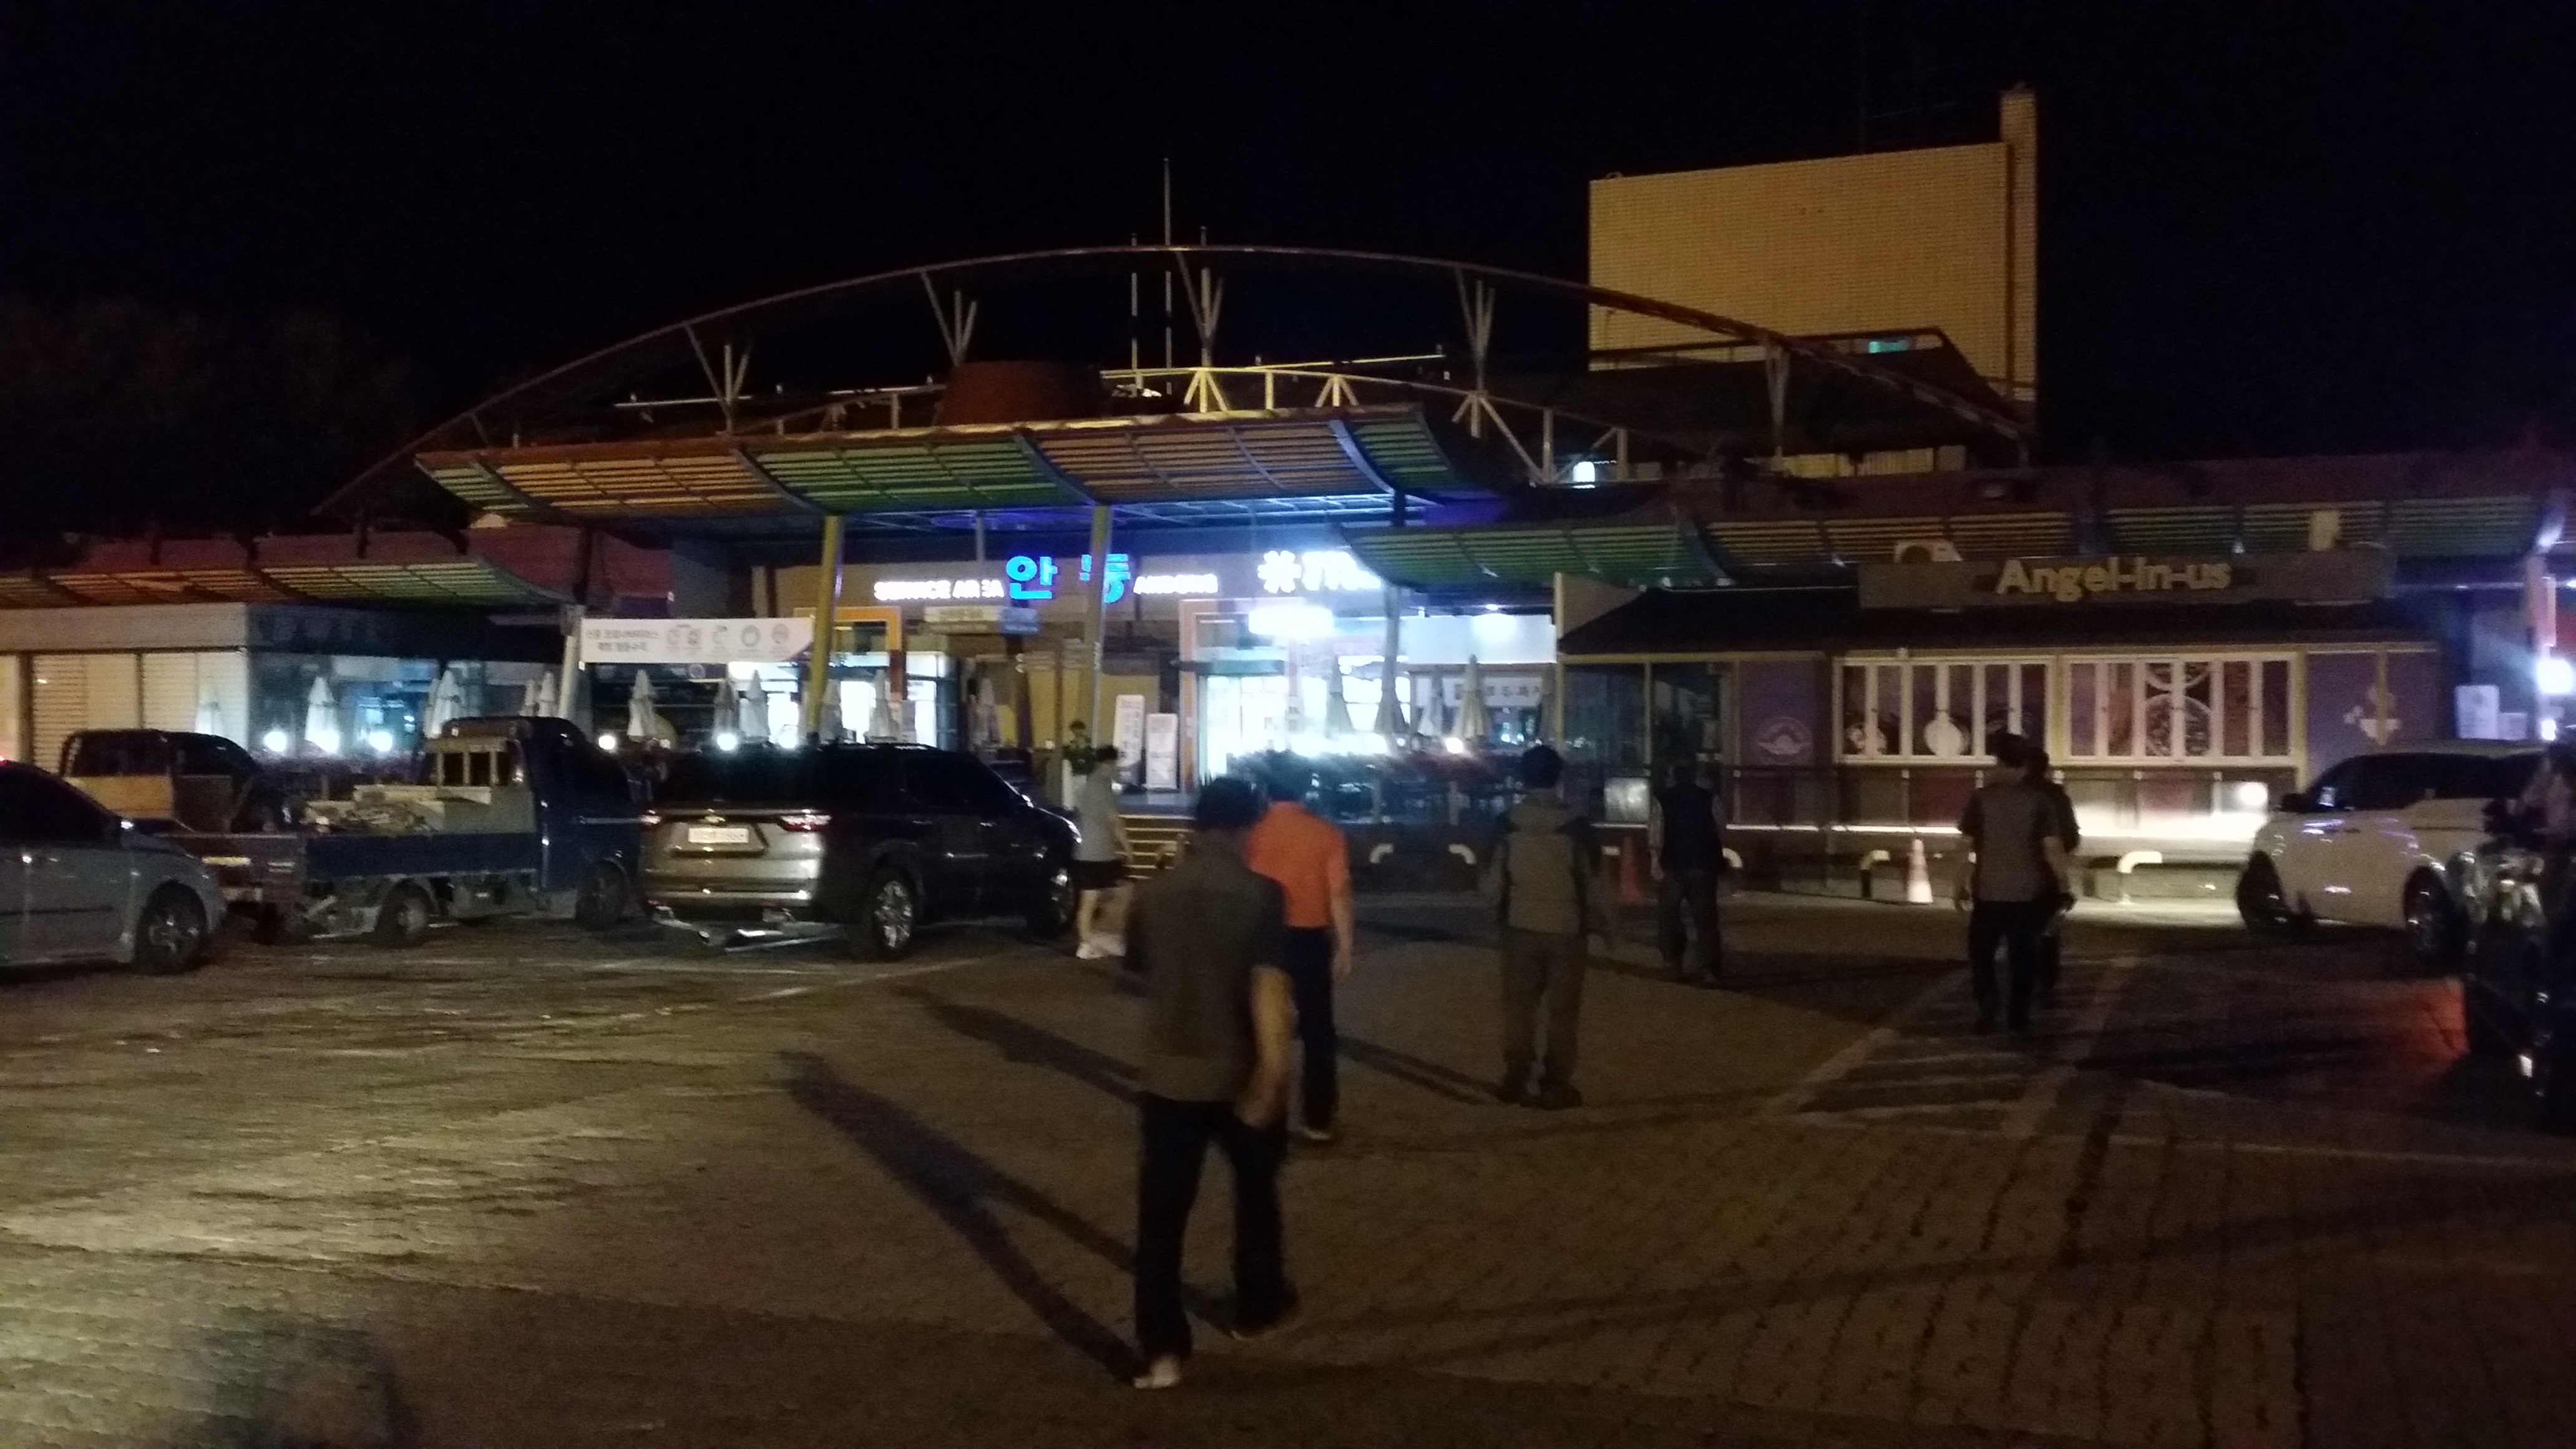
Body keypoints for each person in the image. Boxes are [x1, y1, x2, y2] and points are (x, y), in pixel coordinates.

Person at [1125, 776, 1297, 1390]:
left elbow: (1139, 966)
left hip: (1170, 1071)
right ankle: (1256, 1305)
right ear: (1247, 828)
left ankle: (1162, 1350)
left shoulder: (1154, 894)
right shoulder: (1263, 895)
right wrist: (1273, 1073)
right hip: (1239, 1068)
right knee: (1255, 1192)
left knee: (1162, 1214)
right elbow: (1270, 988)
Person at [1479, 744, 1613, 1108]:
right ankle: (1555, 1084)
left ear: (1523, 778)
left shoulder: (1506, 824)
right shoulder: (1577, 828)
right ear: (1558, 777)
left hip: (1519, 926)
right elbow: (1595, 884)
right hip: (1567, 929)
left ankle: (1515, 1076)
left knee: (1519, 1007)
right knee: (1563, 1011)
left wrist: (1495, 908)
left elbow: (1492, 885)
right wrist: (1608, 925)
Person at [1246, 761, 1355, 1145]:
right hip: (1310, 937)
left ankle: (1262, 1114)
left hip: (1262, 936)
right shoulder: (1326, 833)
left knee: (1262, 1026)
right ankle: (1318, 1118)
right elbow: (1338, 891)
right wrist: (1345, 944)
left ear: (1267, 789)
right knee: (1317, 1030)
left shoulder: (1253, 833)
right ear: (1305, 788)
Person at [1955, 734, 2074, 1036]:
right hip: (2029, 893)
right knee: (2023, 957)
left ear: (1999, 763)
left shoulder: (1981, 799)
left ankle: (1988, 1007)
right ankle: (2018, 1015)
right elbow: (2052, 848)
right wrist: (2064, 885)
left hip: (1988, 891)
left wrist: (1958, 884)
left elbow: (1964, 845)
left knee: (1982, 955)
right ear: (2025, 766)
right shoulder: (2040, 801)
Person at [1649, 759, 1727, 984]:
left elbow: (1656, 833)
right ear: (1694, 776)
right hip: (1703, 864)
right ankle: (1709, 969)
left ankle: (1673, 963)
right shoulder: (1710, 798)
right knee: (1706, 920)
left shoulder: (1662, 799)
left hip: (1672, 865)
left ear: (1673, 776)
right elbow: (1721, 830)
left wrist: (1655, 862)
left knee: (1669, 917)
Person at [2024, 747, 2081, 1005]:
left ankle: (2020, 978)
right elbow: (2070, 837)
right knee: (2047, 928)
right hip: (2047, 873)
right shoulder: (2056, 796)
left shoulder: (2006, 794)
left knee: (2017, 927)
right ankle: (2047, 980)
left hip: (2012, 870)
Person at [1073, 746, 1131, 958]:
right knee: (1112, 895)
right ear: (1107, 764)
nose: (1118, 769)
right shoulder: (1102, 788)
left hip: (1085, 850)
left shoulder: (1087, 785)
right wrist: (1128, 847)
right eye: (1116, 765)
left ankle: (1087, 941)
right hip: (1099, 852)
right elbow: (1114, 821)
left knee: (1090, 898)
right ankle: (1092, 941)